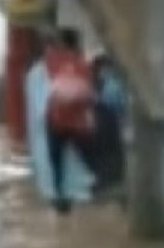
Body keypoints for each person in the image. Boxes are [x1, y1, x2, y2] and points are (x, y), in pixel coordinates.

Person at [41, 29, 97, 213]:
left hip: (56, 119)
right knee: (85, 157)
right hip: (77, 122)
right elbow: (90, 95)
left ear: (62, 44)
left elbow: (44, 89)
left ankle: (59, 197)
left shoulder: (53, 63)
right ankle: (93, 189)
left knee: (56, 161)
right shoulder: (84, 65)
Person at [88, 55, 128, 193]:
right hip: (109, 124)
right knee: (110, 155)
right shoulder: (112, 84)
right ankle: (110, 181)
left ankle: (105, 182)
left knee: (105, 156)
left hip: (105, 123)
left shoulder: (108, 85)